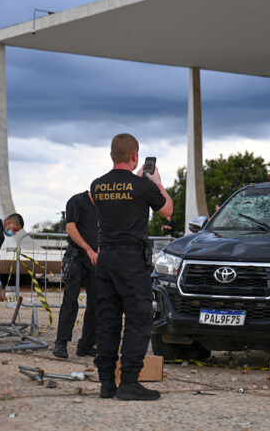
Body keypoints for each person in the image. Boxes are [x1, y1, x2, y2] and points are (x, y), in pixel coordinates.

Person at [91, 133, 173, 401]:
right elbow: (167, 211)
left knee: (107, 320)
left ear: (111, 155)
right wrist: (156, 183)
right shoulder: (142, 186)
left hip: (105, 258)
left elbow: (118, 198)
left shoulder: (97, 185)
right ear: (135, 156)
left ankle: (106, 383)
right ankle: (128, 381)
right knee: (138, 319)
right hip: (131, 259)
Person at [54, 190, 99, 359]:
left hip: (94, 259)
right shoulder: (77, 201)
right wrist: (88, 249)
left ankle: (86, 344)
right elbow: (70, 227)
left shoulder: (102, 205)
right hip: (76, 257)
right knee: (70, 301)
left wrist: (99, 249)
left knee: (96, 302)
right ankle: (61, 343)